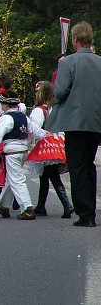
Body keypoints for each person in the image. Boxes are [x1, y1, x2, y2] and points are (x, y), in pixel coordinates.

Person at [45, 21, 101, 228]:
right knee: (89, 165)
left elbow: (60, 92)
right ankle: (91, 211)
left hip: (75, 122)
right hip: (96, 121)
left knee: (77, 167)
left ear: (75, 40)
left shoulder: (67, 62)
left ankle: (85, 214)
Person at [0, 89, 46, 220]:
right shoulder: (23, 117)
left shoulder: (6, 118)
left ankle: (27, 208)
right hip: (22, 151)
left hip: (12, 152)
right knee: (11, 178)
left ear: (5, 104)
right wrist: (48, 135)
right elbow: (36, 130)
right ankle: (3, 206)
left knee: (16, 179)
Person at [27, 81, 73, 218]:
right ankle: (41, 206)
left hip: (46, 145)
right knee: (45, 176)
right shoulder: (56, 108)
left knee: (52, 175)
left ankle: (67, 205)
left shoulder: (39, 110)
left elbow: (35, 128)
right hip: (57, 142)